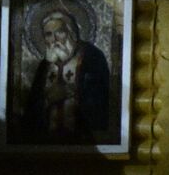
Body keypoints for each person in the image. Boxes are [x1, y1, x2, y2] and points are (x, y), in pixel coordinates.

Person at [19, 10, 111, 144]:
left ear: (71, 32)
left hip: (85, 142)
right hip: (47, 143)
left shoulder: (92, 57)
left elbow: (102, 101)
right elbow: (31, 111)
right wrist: (47, 100)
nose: (54, 39)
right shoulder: (45, 65)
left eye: (60, 32)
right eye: (48, 34)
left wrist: (73, 93)